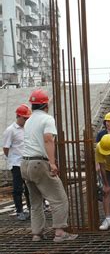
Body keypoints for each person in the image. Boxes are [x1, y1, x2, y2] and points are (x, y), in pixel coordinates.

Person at [20, 89, 78, 242]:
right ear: (45, 105)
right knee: (59, 199)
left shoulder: (29, 120)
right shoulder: (47, 119)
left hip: (25, 164)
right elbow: (48, 140)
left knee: (36, 202)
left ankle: (36, 234)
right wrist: (52, 163)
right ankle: (59, 232)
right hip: (40, 163)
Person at [3, 104, 32, 221]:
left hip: (27, 162)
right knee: (18, 189)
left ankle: (31, 209)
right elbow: (6, 148)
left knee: (30, 188)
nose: (26, 120)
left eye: (28, 118)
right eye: (25, 118)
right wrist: (12, 158)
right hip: (16, 164)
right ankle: (19, 211)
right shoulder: (10, 130)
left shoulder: (28, 128)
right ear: (18, 116)